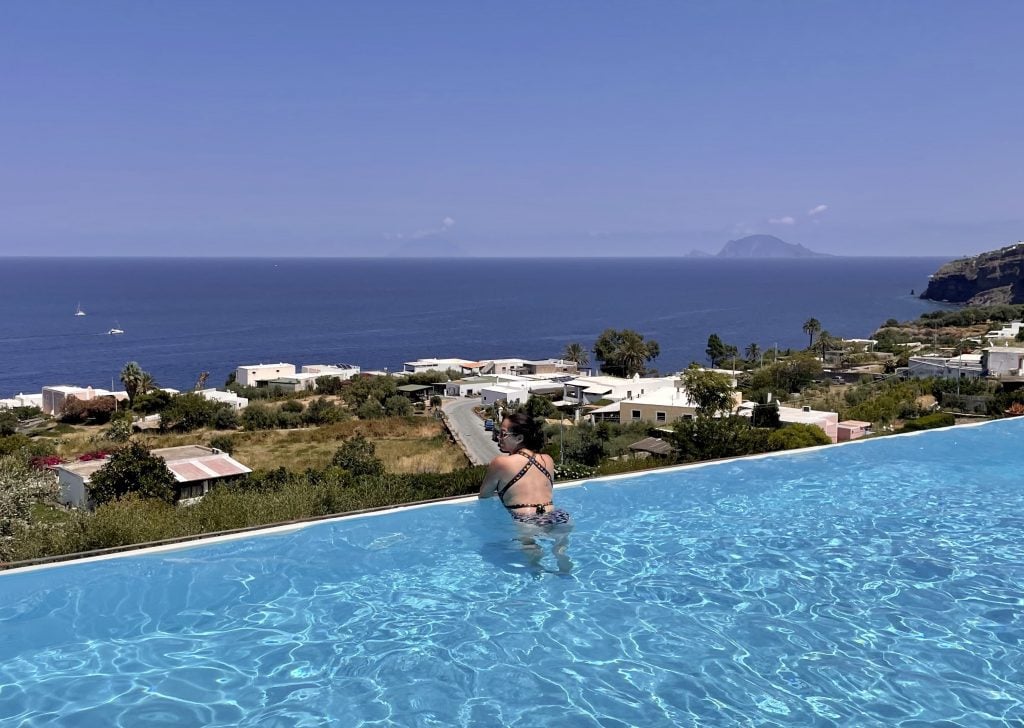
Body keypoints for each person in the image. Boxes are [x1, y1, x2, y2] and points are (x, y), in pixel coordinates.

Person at [480, 412, 572, 571]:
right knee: (559, 543)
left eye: (503, 434)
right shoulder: (547, 459)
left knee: (529, 547)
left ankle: (536, 564)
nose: (498, 437)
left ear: (519, 438)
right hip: (556, 516)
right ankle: (560, 553)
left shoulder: (501, 462)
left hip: (526, 519)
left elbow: (484, 495)